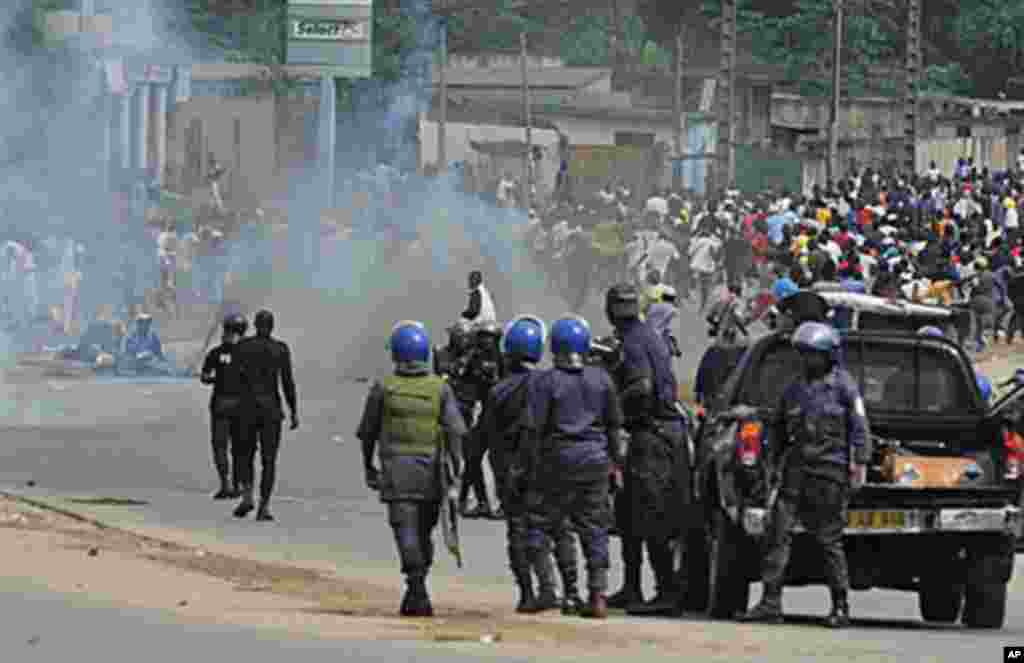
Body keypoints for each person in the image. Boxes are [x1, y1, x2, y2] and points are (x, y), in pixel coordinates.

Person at [739, 321, 870, 627]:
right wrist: (768, 467)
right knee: (777, 536)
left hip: (829, 474)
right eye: (803, 354)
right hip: (795, 474)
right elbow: (779, 432)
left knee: (829, 542)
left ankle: (840, 606)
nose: (807, 360)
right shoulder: (793, 390)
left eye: (813, 354)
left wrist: (859, 464)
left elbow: (860, 428)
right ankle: (770, 603)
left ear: (828, 356)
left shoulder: (845, 388)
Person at [356, 321, 467, 617]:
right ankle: (417, 586)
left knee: (406, 532)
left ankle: (416, 587)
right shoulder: (440, 388)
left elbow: (367, 432)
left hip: (396, 474)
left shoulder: (383, 387)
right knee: (423, 532)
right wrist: (457, 471)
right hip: (431, 476)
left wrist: (368, 466)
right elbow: (456, 431)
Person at [521, 315, 624, 619]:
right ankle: (598, 594)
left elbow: (533, 430)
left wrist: (525, 468)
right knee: (595, 529)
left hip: (557, 462)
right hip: (595, 461)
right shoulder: (602, 379)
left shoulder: (545, 381)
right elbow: (615, 427)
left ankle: (569, 592)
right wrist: (615, 464)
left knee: (558, 526)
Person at [603, 284, 690, 616]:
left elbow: (642, 386)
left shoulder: (634, 342)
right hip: (655, 434)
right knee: (628, 515)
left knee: (653, 515)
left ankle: (667, 592)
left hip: (652, 436)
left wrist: (614, 410)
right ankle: (632, 586)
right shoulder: (645, 334)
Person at [479, 315, 574, 613]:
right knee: (559, 529)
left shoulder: (499, 392)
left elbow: (483, 438)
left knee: (519, 534)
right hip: (552, 468)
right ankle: (568, 591)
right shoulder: (553, 383)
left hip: (513, 473)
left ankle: (529, 593)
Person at [232, 309, 298, 522]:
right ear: (272, 326)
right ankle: (264, 506)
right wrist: (294, 410)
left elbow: (234, 378)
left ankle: (247, 495)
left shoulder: (242, 347)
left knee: (245, 455)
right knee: (269, 460)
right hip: (271, 411)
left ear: (255, 325)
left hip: (247, 409)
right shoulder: (280, 349)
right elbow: (287, 382)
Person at [457, 320, 504, 519]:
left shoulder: (503, 360)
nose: (486, 341)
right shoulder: (472, 358)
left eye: (490, 337)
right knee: (472, 458)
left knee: (500, 463)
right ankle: (481, 502)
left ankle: (504, 504)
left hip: (500, 418)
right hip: (482, 414)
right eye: (483, 336)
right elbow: (463, 382)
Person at [200, 313, 249, 500]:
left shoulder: (215, 353)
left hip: (220, 405)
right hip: (242, 407)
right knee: (240, 447)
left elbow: (204, 377)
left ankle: (225, 485)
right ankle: (238, 486)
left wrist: (217, 378)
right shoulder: (250, 353)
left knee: (220, 447)